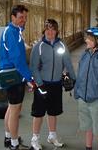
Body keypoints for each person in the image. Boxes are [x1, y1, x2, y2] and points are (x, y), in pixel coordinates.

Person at [29, 19, 76, 150]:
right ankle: (35, 139)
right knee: (38, 113)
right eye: (47, 29)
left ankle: (52, 136)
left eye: (53, 29)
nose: (50, 32)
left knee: (53, 111)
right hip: (42, 85)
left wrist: (73, 79)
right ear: (44, 31)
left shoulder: (61, 45)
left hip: (56, 84)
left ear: (56, 31)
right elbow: (33, 67)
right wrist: (39, 83)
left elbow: (67, 63)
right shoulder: (38, 47)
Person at [0, 5, 35, 150]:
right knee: (15, 109)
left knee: (11, 107)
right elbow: (18, 59)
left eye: (25, 17)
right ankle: (14, 143)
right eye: (21, 17)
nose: (23, 20)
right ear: (13, 17)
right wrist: (29, 79)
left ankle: (8, 137)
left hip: (11, 73)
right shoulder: (11, 33)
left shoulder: (15, 31)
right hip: (12, 74)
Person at [74, 27, 98, 150]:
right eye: (87, 38)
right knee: (87, 127)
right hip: (82, 98)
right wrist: (77, 92)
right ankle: (88, 147)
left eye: (89, 39)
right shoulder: (85, 55)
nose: (86, 40)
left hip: (96, 100)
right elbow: (80, 74)